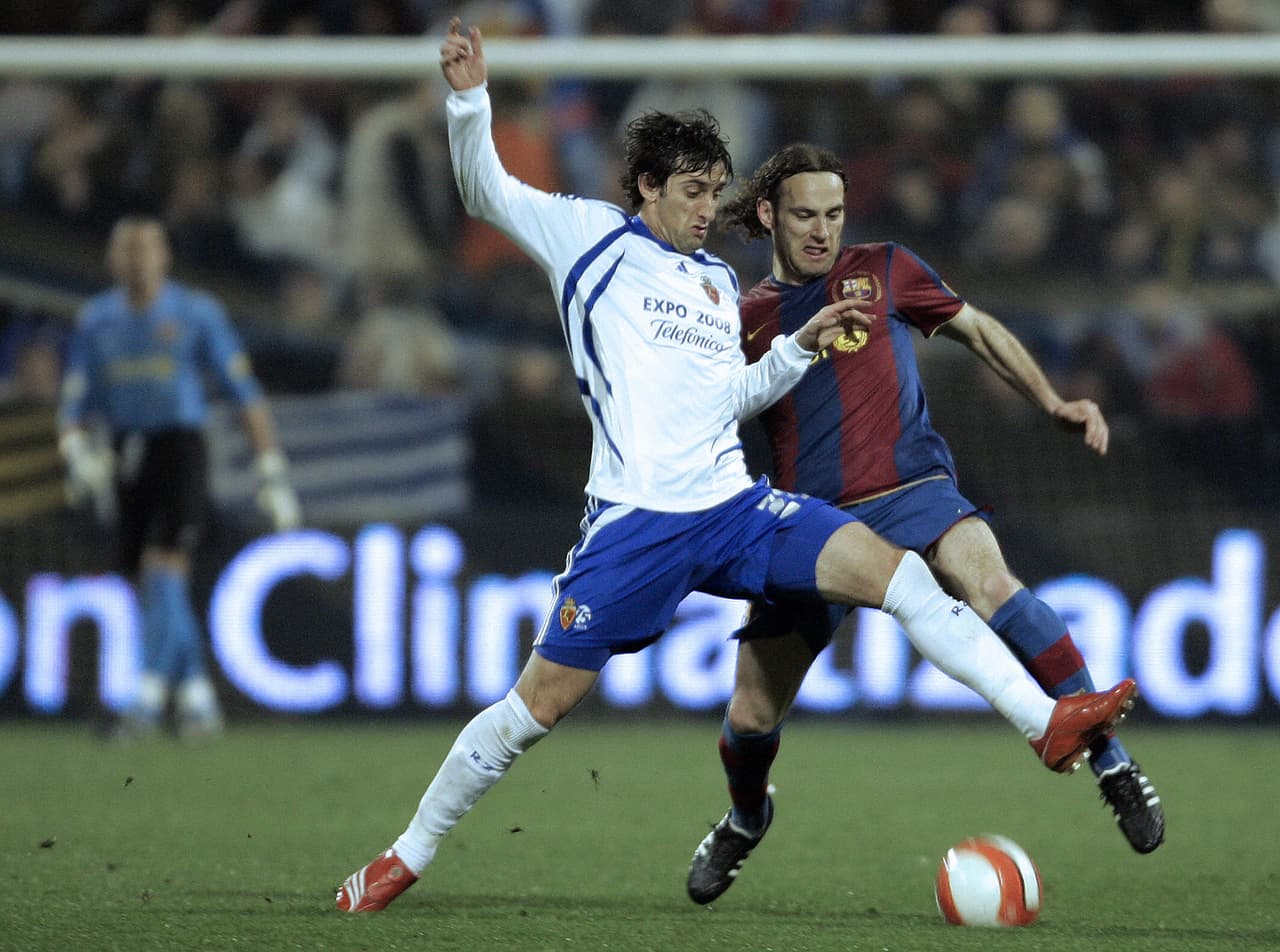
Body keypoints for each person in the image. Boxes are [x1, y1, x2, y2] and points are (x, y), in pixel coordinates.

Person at [334, 20, 1138, 914]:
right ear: (646, 186)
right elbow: (483, 189)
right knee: (537, 709)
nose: (704, 209)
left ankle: (1046, 726)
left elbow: (732, 399)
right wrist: (469, 99)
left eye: (715, 191)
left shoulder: (718, 282)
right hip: (637, 521)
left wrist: (799, 347)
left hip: (734, 507)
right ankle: (405, 854)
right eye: (689, 192)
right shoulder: (589, 239)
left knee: (904, 577)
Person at [684, 143, 1165, 907]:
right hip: (813, 523)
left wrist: (1052, 403)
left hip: (915, 487)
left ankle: (1109, 762)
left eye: (835, 214)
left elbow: (981, 330)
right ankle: (746, 819)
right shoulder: (742, 317)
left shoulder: (887, 269)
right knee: (751, 713)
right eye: (805, 215)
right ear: (770, 215)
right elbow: (704, 421)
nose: (822, 231)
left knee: (990, 581)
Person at [58, 215, 301, 741]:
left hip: (180, 449)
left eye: (146, 248)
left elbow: (245, 395)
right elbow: (75, 402)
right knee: (151, 579)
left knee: (164, 565)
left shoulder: (194, 313)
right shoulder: (96, 319)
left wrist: (271, 471)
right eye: (126, 249)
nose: (136, 259)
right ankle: (196, 699)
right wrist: (77, 451)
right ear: (112, 259)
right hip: (125, 453)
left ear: (164, 256)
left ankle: (145, 701)